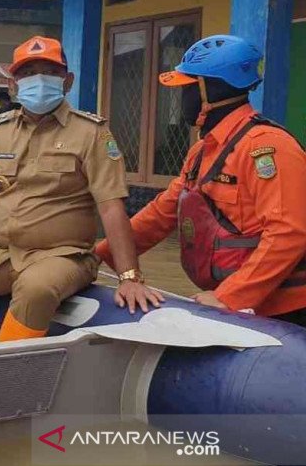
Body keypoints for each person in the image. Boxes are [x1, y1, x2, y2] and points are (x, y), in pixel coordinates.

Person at [0, 36, 161, 345]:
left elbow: (111, 206)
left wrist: (130, 276)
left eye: (49, 71)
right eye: (27, 73)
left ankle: (4, 372)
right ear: (13, 84)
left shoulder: (91, 133)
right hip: (0, 254)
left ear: (68, 80)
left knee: (36, 288)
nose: (38, 79)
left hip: (62, 257)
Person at [96, 35, 306, 325]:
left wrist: (229, 296)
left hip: (285, 311)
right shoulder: (202, 151)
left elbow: (289, 233)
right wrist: (98, 255)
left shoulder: (267, 147)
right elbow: (162, 214)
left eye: (188, 88)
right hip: (237, 304)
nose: (183, 98)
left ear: (211, 90)